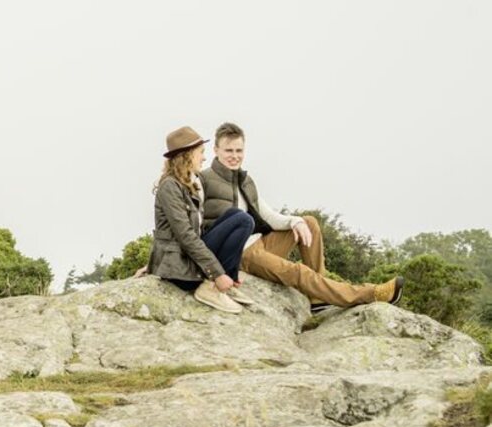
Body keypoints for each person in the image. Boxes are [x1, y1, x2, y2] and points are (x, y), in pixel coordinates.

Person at [199, 121, 403, 308]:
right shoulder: (204, 180)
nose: (234, 156)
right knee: (299, 272)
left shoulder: (245, 181)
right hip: (240, 256)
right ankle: (369, 294)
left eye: (239, 150)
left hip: (258, 244)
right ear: (216, 150)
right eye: (228, 150)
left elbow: (268, 216)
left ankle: (318, 297)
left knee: (309, 223)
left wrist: (296, 222)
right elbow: (195, 226)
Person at [146, 125, 254, 315]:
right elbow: (186, 236)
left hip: (187, 258)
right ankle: (212, 285)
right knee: (242, 220)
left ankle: (228, 282)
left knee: (237, 216)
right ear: (187, 155)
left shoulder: (188, 184)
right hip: (178, 269)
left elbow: (198, 232)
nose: (204, 158)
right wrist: (217, 273)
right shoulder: (169, 187)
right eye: (201, 153)